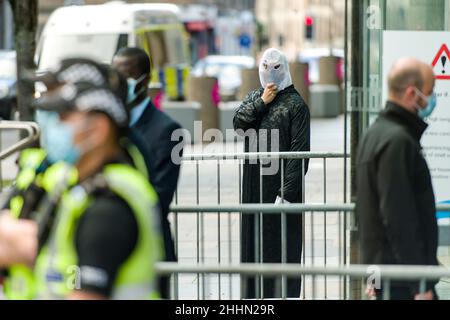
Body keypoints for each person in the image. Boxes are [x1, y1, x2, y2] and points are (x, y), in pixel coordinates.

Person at [7, 82, 163, 300]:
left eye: (63, 118)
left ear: (98, 129)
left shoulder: (108, 207)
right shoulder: (68, 180)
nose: (52, 127)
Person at [356, 57, 439, 300]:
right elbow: (399, 218)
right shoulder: (398, 142)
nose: (432, 100)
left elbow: (366, 211)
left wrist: (371, 276)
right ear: (413, 94)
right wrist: (420, 286)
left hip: (388, 274)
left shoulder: (375, 134)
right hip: (404, 280)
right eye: (430, 92)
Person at [233, 48, 310, 298]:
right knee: (254, 247)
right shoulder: (255, 97)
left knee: (281, 250)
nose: (270, 73)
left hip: (281, 193)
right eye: (265, 67)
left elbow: (299, 154)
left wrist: (286, 194)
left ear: (285, 69)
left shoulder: (296, 105)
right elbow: (238, 123)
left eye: (276, 67)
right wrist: (262, 102)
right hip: (254, 187)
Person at [112, 47, 182, 298]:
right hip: (110, 249)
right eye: (115, 76)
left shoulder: (168, 130)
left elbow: (160, 196)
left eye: (126, 76)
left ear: (143, 79)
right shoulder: (109, 125)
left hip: (150, 249)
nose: (120, 83)